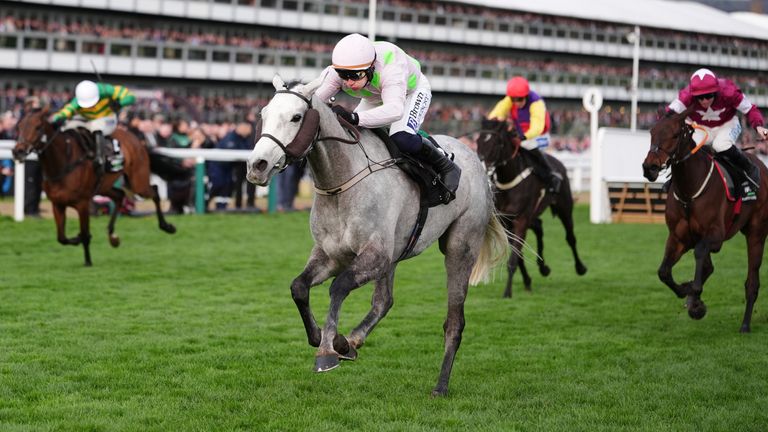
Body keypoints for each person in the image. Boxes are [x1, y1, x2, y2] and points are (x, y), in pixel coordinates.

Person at [314, 33, 461, 203]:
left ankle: (446, 164)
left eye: (354, 76)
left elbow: (394, 110)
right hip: (375, 96)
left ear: (370, 68)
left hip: (410, 92)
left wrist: (354, 117)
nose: (348, 82)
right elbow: (314, 101)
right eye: (343, 75)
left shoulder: (391, 66)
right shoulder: (339, 71)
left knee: (402, 137)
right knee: (351, 133)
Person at [666, 68, 767, 198]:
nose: (704, 101)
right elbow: (667, 115)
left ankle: (749, 169)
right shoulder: (686, 96)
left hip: (728, 124)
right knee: (687, 146)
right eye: (699, 97)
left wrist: (759, 127)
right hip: (702, 127)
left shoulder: (729, 92)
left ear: (716, 91)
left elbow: (750, 109)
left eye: (708, 96)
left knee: (720, 145)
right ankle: (674, 179)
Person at [487, 76, 562, 193]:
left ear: (526, 96)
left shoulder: (536, 103)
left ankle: (551, 175)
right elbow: (497, 113)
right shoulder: (509, 100)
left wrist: (522, 137)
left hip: (540, 135)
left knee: (528, 145)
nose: (516, 103)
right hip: (521, 135)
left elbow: (537, 127)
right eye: (513, 99)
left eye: (520, 99)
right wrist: (490, 123)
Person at [49, 80, 136, 176]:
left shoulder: (107, 90)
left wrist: (120, 103)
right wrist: (58, 118)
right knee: (68, 126)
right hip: (88, 119)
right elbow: (67, 110)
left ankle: (101, 159)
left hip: (106, 117)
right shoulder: (77, 101)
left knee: (97, 128)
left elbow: (130, 97)